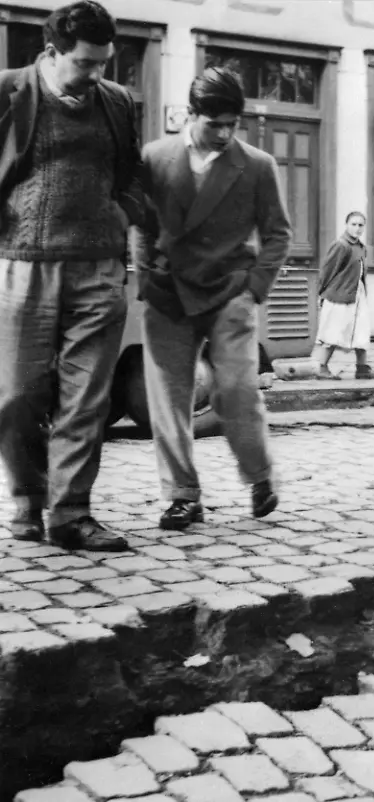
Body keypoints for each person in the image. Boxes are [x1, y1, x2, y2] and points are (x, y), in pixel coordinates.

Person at [0, 0, 144, 551]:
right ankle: (27, 500)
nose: (97, 75)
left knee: (86, 399)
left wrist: (123, 213)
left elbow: (131, 173)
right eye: (86, 64)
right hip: (21, 268)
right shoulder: (11, 91)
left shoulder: (116, 102)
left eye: (105, 63)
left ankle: (72, 514)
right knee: (15, 397)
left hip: (99, 271)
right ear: (51, 52)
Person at [133, 67, 292, 531]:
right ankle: (182, 496)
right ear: (191, 114)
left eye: (232, 124)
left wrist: (253, 291)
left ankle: (260, 475)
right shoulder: (155, 158)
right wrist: (146, 280)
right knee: (168, 399)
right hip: (168, 294)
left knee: (238, 391)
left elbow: (279, 235)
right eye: (214, 124)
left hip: (230, 294)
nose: (224, 134)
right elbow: (142, 226)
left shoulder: (258, 165)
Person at [313, 211, 374, 380]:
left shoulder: (361, 247)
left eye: (360, 225)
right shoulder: (341, 245)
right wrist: (321, 292)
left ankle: (362, 368)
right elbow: (327, 271)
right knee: (334, 331)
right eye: (353, 224)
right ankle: (322, 367)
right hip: (339, 296)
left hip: (357, 295)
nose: (357, 228)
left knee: (361, 331)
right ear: (347, 225)